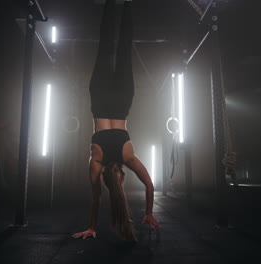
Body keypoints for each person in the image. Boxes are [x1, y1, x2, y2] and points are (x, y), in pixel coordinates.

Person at [72, 0, 159, 241]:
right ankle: (111, 3)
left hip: (122, 102)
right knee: (106, 47)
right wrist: (92, 226)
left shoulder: (127, 156)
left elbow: (149, 186)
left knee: (123, 50)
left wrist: (150, 213)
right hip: (99, 99)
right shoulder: (96, 161)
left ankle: (128, 5)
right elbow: (97, 199)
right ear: (108, 179)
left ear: (121, 176)